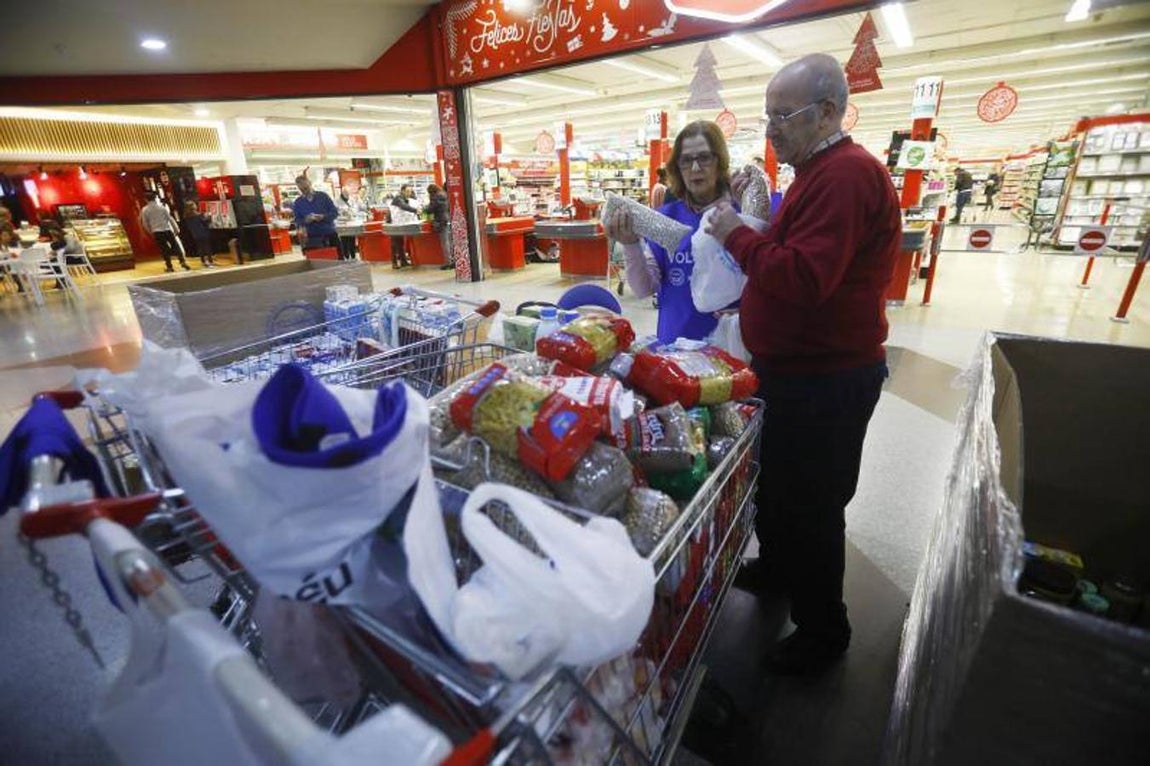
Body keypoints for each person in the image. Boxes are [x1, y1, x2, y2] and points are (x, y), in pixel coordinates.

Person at [705, 53, 900, 675]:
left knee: (813, 502)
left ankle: (823, 630)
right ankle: (779, 569)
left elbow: (803, 276)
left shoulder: (846, 176)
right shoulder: (817, 173)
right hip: (798, 372)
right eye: (767, 116)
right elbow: (792, 252)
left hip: (828, 378)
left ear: (826, 113)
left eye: (782, 116)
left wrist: (736, 232)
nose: (771, 129)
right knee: (781, 487)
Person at [603, 120, 736, 343]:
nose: (695, 168)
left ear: (719, 161)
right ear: (677, 168)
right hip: (676, 347)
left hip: (729, 345)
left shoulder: (741, 214)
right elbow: (644, 288)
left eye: (704, 158)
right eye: (686, 161)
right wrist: (630, 244)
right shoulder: (665, 218)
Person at [139, 192, 190, 272]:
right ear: (155, 198)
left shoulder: (145, 210)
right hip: (167, 229)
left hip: (157, 232)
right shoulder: (162, 208)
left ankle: (169, 266)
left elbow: (145, 223)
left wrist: (150, 232)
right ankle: (182, 261)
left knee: (164, 249)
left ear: (146, 199)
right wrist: (176, 228)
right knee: (176, 246)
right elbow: (169, 218)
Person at [291, 175, 340, 253]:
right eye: (301, 189)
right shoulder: (298, 202)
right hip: (311, 239)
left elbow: (335, 213)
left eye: (306, 188)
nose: (304, 191)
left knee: (337, 262)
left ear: (310, 183)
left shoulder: (323, 196)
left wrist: (323, 217)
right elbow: (297, 220)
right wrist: (305, 220)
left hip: (329, 235)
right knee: (316, 263)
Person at [424, 183, 453, 271]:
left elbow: (430, 210)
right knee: (450, 241)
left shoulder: (435, 197)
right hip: (448, 219)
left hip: (440, 221)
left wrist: (424, 208)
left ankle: (448, 262)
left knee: (445, 242)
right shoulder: (444, 195)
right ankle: (453, 260)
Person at [389, 184, 418, 268]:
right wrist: (415, 210)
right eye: (407, 191)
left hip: (399, 223)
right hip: (392, 223)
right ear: (402, 191)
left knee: (400, 243)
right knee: (394, 244)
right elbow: (403, 206)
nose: (409, 193)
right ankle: (394, 263)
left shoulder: (406, 198)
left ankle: (403, 261)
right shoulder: (398, 198)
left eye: (410, 191)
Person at [180, 201, 215, 267]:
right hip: (203, 232)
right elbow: (205, 222)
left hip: (195, 234)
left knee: (200, 247)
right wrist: (209, 216)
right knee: (207, 247)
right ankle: (210, 261)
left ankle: (203, 261)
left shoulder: (186, 217)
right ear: (193, 207)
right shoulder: (198, 215)